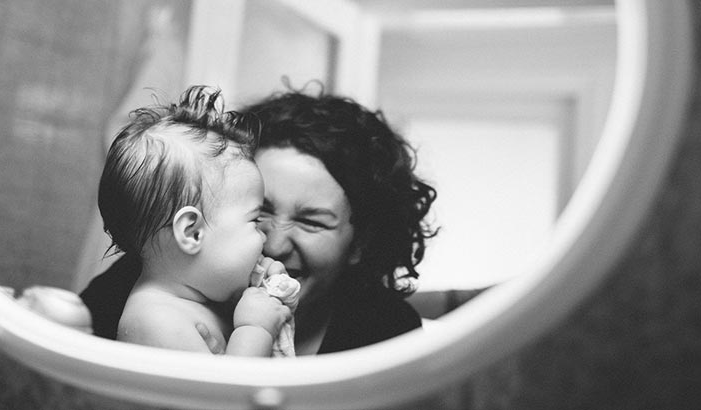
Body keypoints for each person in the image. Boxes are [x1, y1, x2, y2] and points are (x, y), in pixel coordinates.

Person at [82, 85, 436, 354]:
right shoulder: (143, 286)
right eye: (260, 211)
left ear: (361, 243)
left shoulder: (386, 334)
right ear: (191, 230)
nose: (275, 243)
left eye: (311, 222)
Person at [97, 85, 292, 355]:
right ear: (192, 232)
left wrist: (267, 297)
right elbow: (228, 396)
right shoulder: (155, 320)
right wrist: (255, 328)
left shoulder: (201, 300)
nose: (265, 236)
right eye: (255, 220)